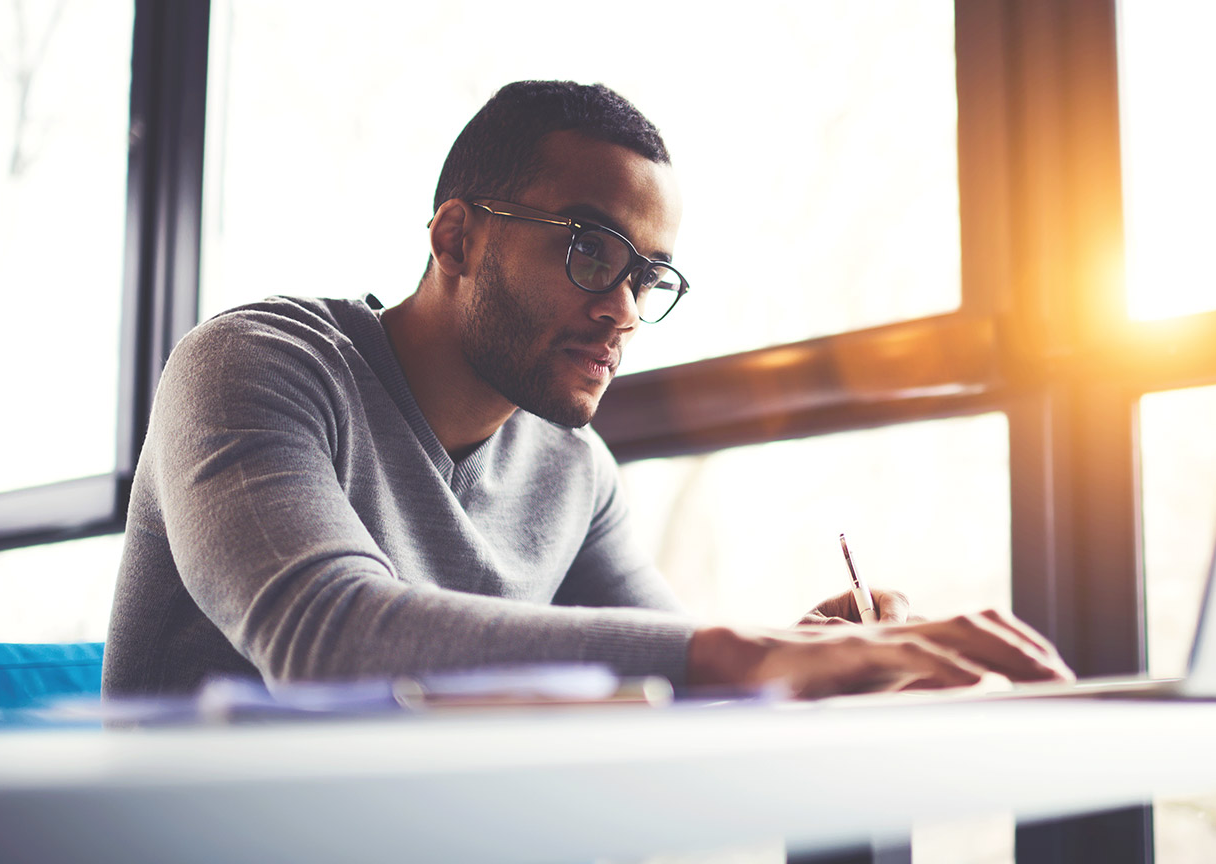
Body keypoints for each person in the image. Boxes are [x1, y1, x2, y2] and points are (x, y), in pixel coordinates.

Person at [103, 80, 1073, 701]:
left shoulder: (574, 470)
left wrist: (804, 659)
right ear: (455, 238)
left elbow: (664, 666)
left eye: (648, 277)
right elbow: (326, 637)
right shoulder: (256, 365)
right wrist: (738, 654)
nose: (622, 310)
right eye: (587, 250)